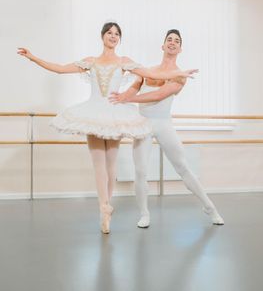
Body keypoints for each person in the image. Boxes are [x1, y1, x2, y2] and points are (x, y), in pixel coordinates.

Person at [17, 23, 197, 234]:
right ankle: (104, 208)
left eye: (117, 34)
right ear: (102, 36)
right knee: (98, 163)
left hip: (113, 113)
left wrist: (179, 73)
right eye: (109, 33)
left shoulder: (124, 62)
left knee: (111, 164)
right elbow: (60, 68)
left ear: (119, 39)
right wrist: (33, 57)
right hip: (93, 113)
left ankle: (107, 205)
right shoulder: (90, 62)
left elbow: (151, 74)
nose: (113, 36)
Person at [109, 29, 224, 228]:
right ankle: (144, 213)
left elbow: (159, 95)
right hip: (143, 123)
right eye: (169, 40)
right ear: (162, 46)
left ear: (180, 49)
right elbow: (135, 86)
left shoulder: (181, 76)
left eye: (176, 41)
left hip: (163, 123)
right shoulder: (148, 71)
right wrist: (125, 94)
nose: (172, 42)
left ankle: (209, 207)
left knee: (183, 167)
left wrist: (127, 99)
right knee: (141, 171)